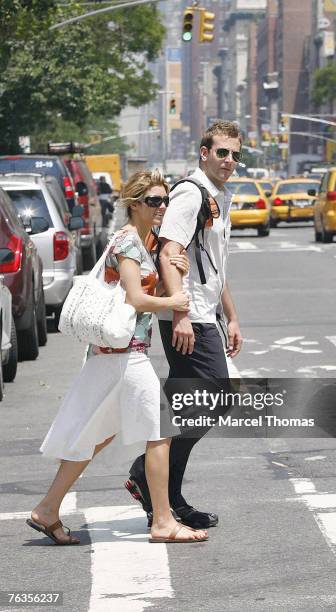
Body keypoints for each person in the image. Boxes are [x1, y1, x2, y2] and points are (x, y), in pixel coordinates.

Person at [26, 170, 208, 545]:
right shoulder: (127, 243)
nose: (161, 207)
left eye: (165, 201)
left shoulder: (146, 241)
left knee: (95, 436)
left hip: (114, 356)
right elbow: (134, 299)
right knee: (160, 432)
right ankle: (162, 522)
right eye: (153, 201)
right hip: (125, 355)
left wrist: (173, 266)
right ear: (134, 204)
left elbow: (160, 265)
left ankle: (47, 509)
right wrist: (172, 302)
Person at [126, 120, 243, 529]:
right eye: (222, 152)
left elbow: (213, 264)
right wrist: (180, 313)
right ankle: (147, 473)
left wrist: (231, 316)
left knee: (190, 406)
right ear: (204, 153)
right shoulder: (191, 195)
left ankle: (166, 495)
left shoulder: (218, 195)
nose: (229, 160)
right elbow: (169, 252)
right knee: (216, 397)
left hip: (204, 312)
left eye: (235, 154)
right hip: (187, 317)